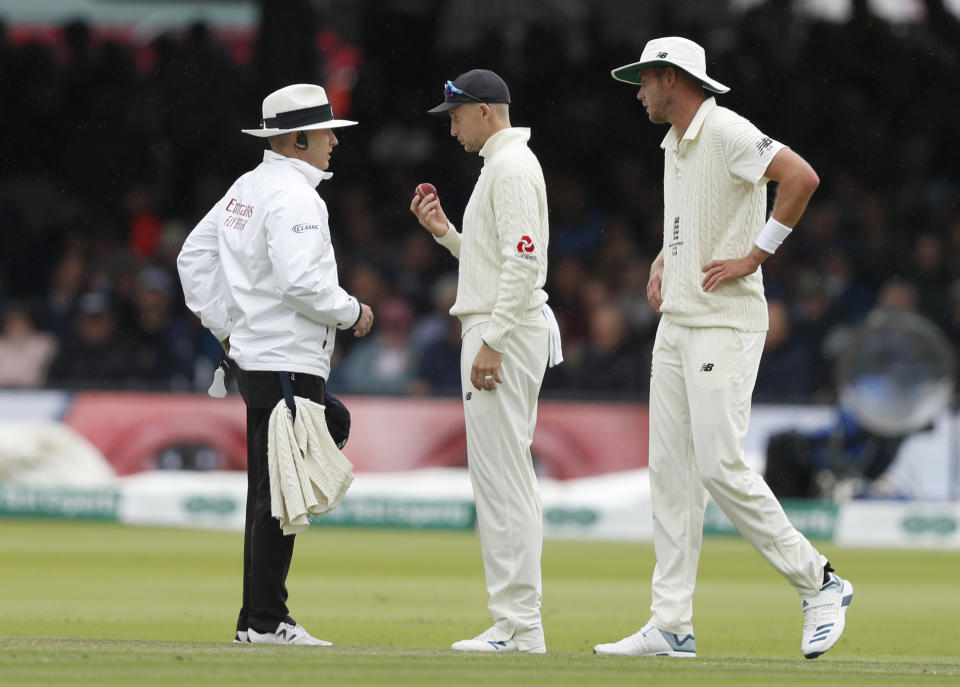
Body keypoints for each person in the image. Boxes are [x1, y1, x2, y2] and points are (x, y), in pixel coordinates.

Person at [593, 37, 853, 660]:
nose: (638, 93)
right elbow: (694, 216)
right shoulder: (673, 143)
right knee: (672, 477)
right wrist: (664, 258)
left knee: (716, 464)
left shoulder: (729, 130)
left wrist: (756, 255)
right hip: (678, 325)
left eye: (644, 81)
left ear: (672, 80)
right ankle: (670, 624)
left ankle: (820, 581)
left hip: (724, 324)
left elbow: (801, 177)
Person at [177, 83, 373, 646]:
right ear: (299, 138)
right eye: (328, 131)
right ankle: (266, 619)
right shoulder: (296, 197)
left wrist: (229, 328)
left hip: (258, 358)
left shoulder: (247, 186)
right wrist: (353, 312)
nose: (335, 141)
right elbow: (301, 282)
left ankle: (257, 617)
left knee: (270, 488)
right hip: (288, 359)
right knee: (280, 491)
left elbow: (194, 256)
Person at [410, 69, 561, 654]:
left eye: (454, 117)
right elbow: (496, 258)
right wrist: (447, 233)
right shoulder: (501, 167)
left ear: (484, 112)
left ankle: (519, 625)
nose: (450, 130)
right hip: (500, 324)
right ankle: (517, 622)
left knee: (504, 481)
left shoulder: (513, 168)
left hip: (505, 329)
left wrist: (494, 339)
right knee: (501, 479)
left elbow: (525, 265)